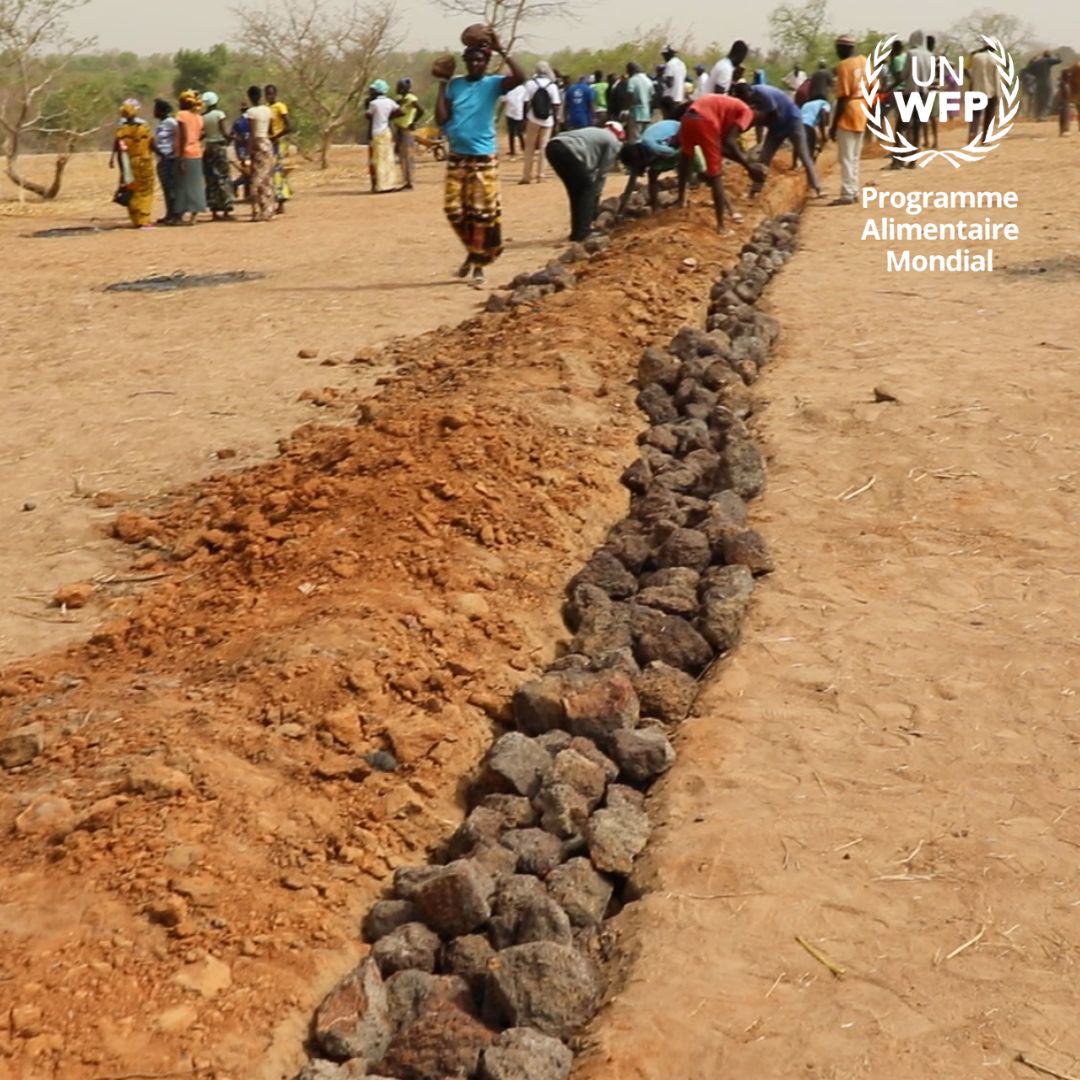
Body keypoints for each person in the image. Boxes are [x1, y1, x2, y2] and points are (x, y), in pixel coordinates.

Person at [436, 33, 525, 288]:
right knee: (453, 210)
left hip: (483, 157)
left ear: (486, 63)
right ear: (465, 62)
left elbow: (521, 77)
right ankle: (477, 251)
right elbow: (441, 119)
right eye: (471, 61)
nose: (475, 65)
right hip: (457, 156)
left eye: (480, 61)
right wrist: (442, 83)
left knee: (481, 214)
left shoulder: (493, 84)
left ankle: (478, 265)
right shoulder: (455, 85)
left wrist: (502, 49)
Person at [677, 93, 765, 233]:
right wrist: (749, 167)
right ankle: (721, 226)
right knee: (715, 174)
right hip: (705, 121)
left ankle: (680, 201)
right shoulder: (747, 112)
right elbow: (730, 142)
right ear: (756, 110)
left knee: (685, 158)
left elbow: (722, 147)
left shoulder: (729, 107)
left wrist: (746, 164)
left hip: (688, 118)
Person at [735, 83, 821, 197]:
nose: (745, 101)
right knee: (764, 158)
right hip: (776, 127)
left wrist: (757, 118)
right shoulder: (748, 101)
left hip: (792, 121)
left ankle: (817, 187)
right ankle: (756, 190)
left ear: (750, 92)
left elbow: (773, 114)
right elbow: (756, 122)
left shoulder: (762, 93)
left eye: (745, 98)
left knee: (803, 154)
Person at [545, 120, 625, 241]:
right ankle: (583, 232)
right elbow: (602, 173)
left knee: (576, 191)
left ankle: (577, 232)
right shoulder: (612, 141)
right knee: (587, 189)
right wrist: (596, 194)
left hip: (552, 147)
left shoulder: (596, 133)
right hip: (567, 150)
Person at [827, 34, 868, 205]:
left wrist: (833, 124)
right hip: (862, 108)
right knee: (855, 156)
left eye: (838, 48)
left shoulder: (844, 66)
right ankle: (854, 189)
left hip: (849, 111)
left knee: (845, 156)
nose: (837, 52)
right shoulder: (865, 62)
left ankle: (847, 193)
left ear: (844, 48)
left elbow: (843, 97)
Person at [111, 98, 154, 228]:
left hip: (127, 162)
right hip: (143, 160)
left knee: (131, 187)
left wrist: (114, 159)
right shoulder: (143, 126)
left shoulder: (121, 127)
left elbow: (118, 146)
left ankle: (135, 219)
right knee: (145, 189)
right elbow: (151, 143)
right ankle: (144, 220)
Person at [520, 61, 560, 183]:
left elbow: (526, 102)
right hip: (547, 120)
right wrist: (556, 119)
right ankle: (541, 175)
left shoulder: (530, 84)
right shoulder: (552, 86)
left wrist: (524, 118)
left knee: (529, 148)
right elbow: (556, 104)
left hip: (533, 118)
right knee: (544, 147)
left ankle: (527, 176)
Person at [174, 89, 207, 224]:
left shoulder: (181, 115)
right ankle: (194, 215)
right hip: (197, 153)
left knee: (182, 186)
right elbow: (202, 134)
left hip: (185, 153)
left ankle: (180, 215)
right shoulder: (199, 117)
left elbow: (183, 137)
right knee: (196, 185)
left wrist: (181, 156)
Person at [200, 91, 234, 220]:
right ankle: (226, 208)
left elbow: (202, 134)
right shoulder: (219, 114)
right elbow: (224, 132)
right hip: (219, 148)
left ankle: (214, 210)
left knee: (211, 178)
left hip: (208, 148)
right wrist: (232, 138)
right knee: (223, 177)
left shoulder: (203, 116)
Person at [245, 84, 275, 222]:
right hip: (267, 144)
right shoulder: (267, 110)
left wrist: (248, 150)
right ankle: (268, 210)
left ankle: (256, 211)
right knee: (267, 179)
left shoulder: (251, 112)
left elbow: (252, 133)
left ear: (250, 97)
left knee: (255, 179)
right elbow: (271, 130)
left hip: (257, 144)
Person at [367, 80, 402, 192]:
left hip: (377, 132)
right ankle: (390, 184)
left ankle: (381, 185)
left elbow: (368, 115)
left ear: (377, 91)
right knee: (388, 158)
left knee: (379, 159)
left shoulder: (373, 103)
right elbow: (401, 111)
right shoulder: (390, 102)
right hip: (387, 131)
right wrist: (389, 117)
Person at [265, 84, 293, 212]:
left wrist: (276, 136)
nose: (269, 96)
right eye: (267, 94)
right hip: (270, 141)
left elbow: (288, 127)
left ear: (275, 94)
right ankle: (276, 200)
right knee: (271, 172)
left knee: (277, 171)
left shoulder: (280, 107)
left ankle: (281, 201)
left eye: (271, 94)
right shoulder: (266, 108)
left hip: (278, 142)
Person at [151, 98, 179, 225]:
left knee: (171, 187)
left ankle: (175, 214)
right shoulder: (161, 124)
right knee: (166, 188)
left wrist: (172, 153)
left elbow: (180, 136)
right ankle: (169, 214)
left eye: (156, 109)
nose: (154, 111)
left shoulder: (171, 122)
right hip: (161, 159)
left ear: (162, 110)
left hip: (169, 158)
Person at [393, 78, 424, 188]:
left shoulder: (411, 98)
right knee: (401, 155)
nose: (396, 88)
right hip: (400, 129)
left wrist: (413, 122)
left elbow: (421, 110)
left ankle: (410, 182)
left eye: (398, 86)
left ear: (403, 88)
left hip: (406, 129)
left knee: (407, 156)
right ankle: (406, 180)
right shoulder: (402, 99)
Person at [968, 43, 999, 140]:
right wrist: (998, 94)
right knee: (989, 115)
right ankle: (985, 138)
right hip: (990, 91)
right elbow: (996, 78)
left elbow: (972, 74)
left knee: (975, 114)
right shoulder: (994, 59)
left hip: (976, 89)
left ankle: (972, 134)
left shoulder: (976, 57)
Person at [1027, 51, 1062, 120]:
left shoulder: (1036, 62)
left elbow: (1029, 69)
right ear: (1049, 56)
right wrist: (1058, 55)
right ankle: (1042, 116)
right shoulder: (1047, 60)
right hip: (1047, 84)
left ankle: (1037, 115)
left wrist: (1032, 60)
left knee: (1039, 100)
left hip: (1038, 84)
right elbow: (1059, 60)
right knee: (1048, 100)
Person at [626, 62, 654, 142]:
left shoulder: (632, 80)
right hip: (647, 113)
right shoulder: (648, 80)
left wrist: (626, 109)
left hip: (635, 113)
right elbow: (652, 96)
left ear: (631, 70)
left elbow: (630, 94)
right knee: (645, 139)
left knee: (635, 139)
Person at [231, 101, 251, 200]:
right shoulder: (251, 120)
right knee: (249, 172)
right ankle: (238, 186)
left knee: (247, 171)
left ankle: (246, 192)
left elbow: (232, 135)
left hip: (241, 150)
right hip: (249, 149)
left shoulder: (238, 121)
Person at [502, 80, 527, 157]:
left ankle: (523, 148)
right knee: (512, 133)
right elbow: (503, 102)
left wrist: (525, 115)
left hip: (518, 113)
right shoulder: (511, 89)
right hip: (511, 113)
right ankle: (513, 151)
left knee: (519, 132)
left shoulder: (522, 89)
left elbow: (526, 102)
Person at [661, 44, 687, 115]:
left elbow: (669, 83)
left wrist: (662, 79)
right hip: (679, 97)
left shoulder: (669, 64)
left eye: (664, 54)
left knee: (668, 120)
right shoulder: (682, 64)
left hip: (669, 99)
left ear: (667, 54)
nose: (663, 57)